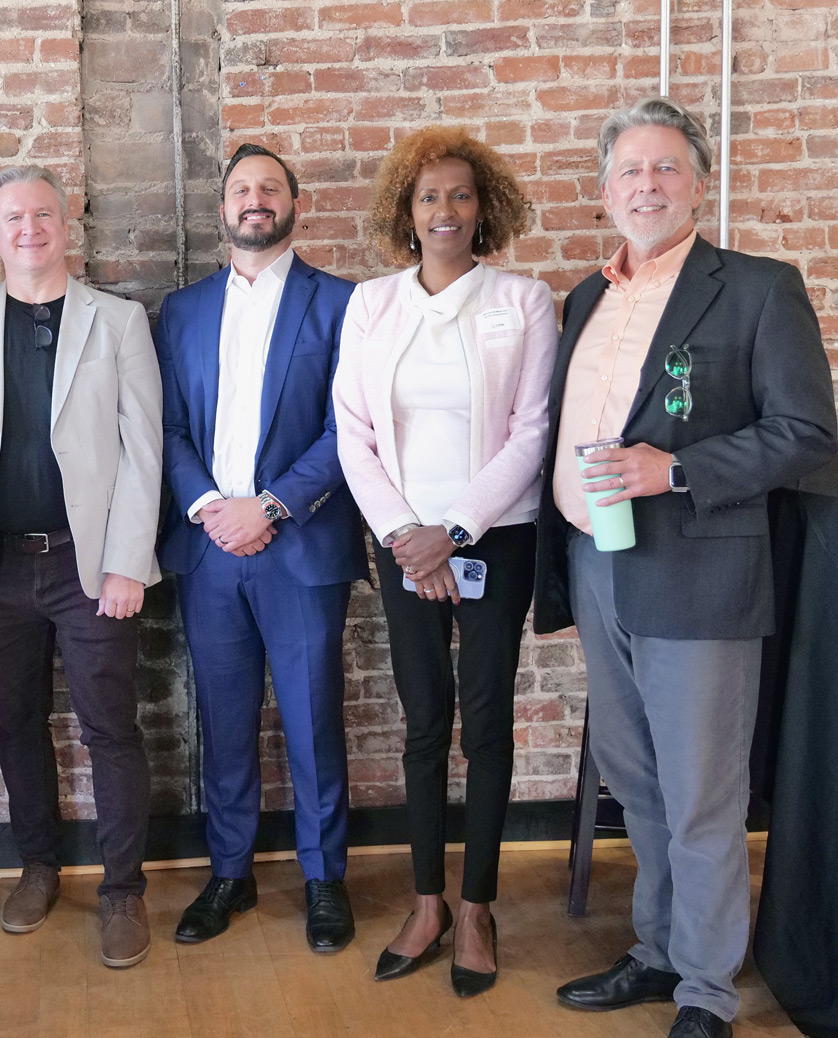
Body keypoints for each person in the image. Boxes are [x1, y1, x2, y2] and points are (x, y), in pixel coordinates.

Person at [533, 97, 836, 1038]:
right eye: (630, 169)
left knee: (703, 794)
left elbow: (807, 430)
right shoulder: (585, 299)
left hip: (700, 575)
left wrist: (675, 470)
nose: (648, 184)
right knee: (637, 781)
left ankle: (707, 990)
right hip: (597, 563)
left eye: (667, 167)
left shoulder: (758, 288)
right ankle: (659, 949)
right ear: (605, 191)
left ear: (700, 185)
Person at [0, 165, 163, 968]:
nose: (29, 228)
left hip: (89, 567)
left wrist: (127, 562)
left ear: (67, 225)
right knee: (15, 720)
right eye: (13, 218)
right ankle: (38, 866)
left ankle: (122, 891)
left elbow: (143, 453)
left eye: (43, 215)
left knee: (110, 726)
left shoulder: (118, 320)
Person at [334, 126, 557, 995]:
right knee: (424, 721)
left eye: (461, 194)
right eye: (429, 195)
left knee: (487, 723)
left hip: (495, 538)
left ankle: (476, 909)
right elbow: (353, 434)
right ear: (407, 210)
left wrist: (454, 531)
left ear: (484, 206)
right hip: (402, 542)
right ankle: (426, 902)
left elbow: (532, 432)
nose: (445, 210)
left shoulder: (524, 300)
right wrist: (406, 534)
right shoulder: (371, 305)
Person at [155, 144, 367, 953]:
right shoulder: (182, 311)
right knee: (224, 718)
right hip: (211, 547)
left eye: (270, 188)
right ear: (223, 208)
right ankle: (229, 872)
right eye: (241, 188)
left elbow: (348, 428)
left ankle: (324, 878)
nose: (255, 199)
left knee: (313, 718)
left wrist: (272, 506)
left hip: (300, 545)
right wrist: (211, 508)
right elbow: (169, 427)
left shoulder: (342, 303)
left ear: (294, 205)